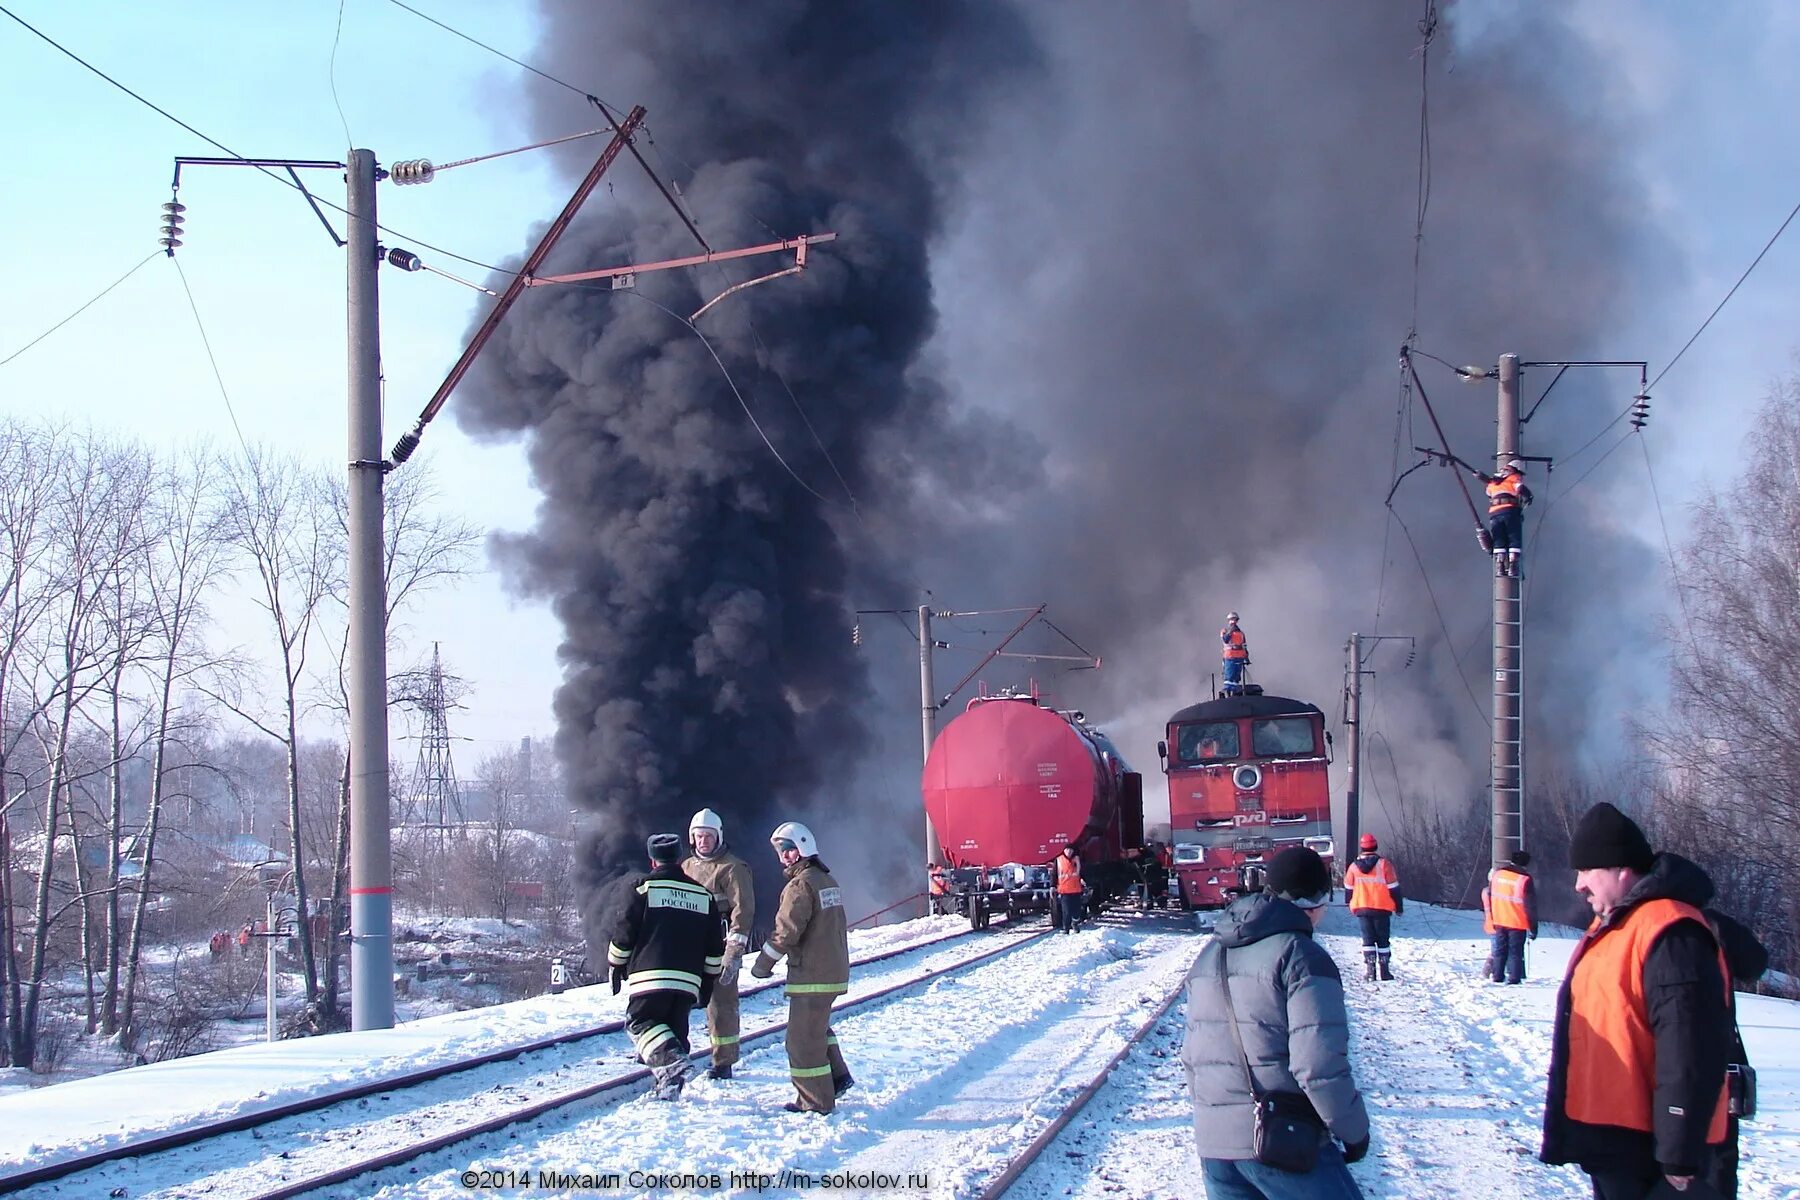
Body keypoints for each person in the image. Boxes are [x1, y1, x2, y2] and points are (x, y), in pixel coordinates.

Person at [1540, 802, 1731, 1199]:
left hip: (1657, 1160)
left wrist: (1679, 1151)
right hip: (1616, 1146)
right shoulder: (1616, 928)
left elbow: (1690, 1045)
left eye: (1587, 871)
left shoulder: (1671, 932)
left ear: (1621, 870)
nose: (1578, 884)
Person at [1181, 845, 1371, 1199]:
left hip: (1216, 1150)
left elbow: (1192, 1057)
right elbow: (1318, 1066)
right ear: (1316, 901)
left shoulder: (1211, 955)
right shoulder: (1302, 957)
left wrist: (1218, 1121)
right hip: (1282, 1139)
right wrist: (1354, 1131)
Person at [605, 833, 725, 1101]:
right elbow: (715, 949)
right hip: (688, 982)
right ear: (680, 858)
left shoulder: (642, 889)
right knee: (675, 1030)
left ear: (652, 861)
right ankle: (670, 1089)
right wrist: (707, 983)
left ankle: (672, 1064)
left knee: (640, 1022)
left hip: (650, 977)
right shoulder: (704, 896)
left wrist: (615, 963)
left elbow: (625, 932)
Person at [750, 821, 854, 1114]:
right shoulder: (826, 880)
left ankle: (815, 1101)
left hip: (812, 974)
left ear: (802, 850)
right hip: (831, 970)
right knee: (818, 1029)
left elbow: (786, 932)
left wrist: (762, 965)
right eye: (781, 851)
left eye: (788, 850)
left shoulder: (800, 885)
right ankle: (838, 1077)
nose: (784, 856)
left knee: (801, 1042)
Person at [680, 808, 755, 1081]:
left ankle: (723, 1061)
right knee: (680, 1001)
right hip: (690, 946)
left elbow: (743, 910)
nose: (703, 841)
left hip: (720, 947)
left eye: (708, 836)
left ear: (718, 837)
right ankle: (676, 1056)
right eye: (699, 836)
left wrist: (734, 951)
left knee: (720, 1004)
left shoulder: (733, 868)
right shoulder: (686, 867)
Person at [1704, 908, 1768, 1200]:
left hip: (1657, 1071)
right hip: (1717, 1064)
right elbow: (1755, 963)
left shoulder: (1627, 922)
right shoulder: (1710, 922)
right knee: (1718, 1164)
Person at [1342, 833, 1402, 981]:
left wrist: (1349, 903)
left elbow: (1348, 888)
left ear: (1362, 848)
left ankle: (1370, 971)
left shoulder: (1353, 867)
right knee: (1383, 941)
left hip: (1362, 908)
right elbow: (1394, 888)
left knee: (1367, 940)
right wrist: (1399, 906)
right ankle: (1385, 971)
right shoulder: (1384, 864)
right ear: (1375, 846)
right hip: (1382, 908)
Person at [1473, 458, 1533, 578]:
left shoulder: (1493, 482)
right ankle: (1513, 565)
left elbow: (1489, 493)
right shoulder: (1514, 479)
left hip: (1495, 514)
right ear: (1517, 471)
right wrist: (1529, 497)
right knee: (1513, 537)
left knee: (1499, 538)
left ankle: (1500, 566)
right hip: (1510, 511)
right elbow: (1521, 489)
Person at [1488, 849, 1538, 985]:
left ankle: (1497, 976)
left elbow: (1490, 895)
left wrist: (1492, 917)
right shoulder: (1524, 879)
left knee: (1499, 949)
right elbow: (1530, 906)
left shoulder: (1497, 875)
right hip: (1517, 921)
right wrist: (1533, 927)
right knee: (1515, 951)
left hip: (1499, 919)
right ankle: (1514, 978)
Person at [1054, 845, 1085, 933]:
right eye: (1067, 849)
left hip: (1076, 889)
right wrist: (1053, 886)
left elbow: (1082, 871)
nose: (1069, 851)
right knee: (1066, 911)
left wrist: (1083, 879)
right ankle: (1066, 928)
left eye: (1070, 850)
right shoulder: (1058, 860)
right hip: (1064, 890)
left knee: (1077, 911)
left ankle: (1075, 923)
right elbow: (1054, 874)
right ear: (1064, 850)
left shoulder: (1077, 860)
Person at [1221, 612, 1250, 696]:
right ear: (1229, 620)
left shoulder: (1241, 633)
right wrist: (1230, 632)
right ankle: (1228, 694)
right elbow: (1225, 640)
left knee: (1236, 677)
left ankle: (1234, 694)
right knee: (1229, 676)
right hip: (1230, 657)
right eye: (1231, 619)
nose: (1233, 621)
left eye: (1235, 619)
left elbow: (1244, 646)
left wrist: (1246, 657)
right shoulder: (1225, 631)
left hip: (1239, 657)